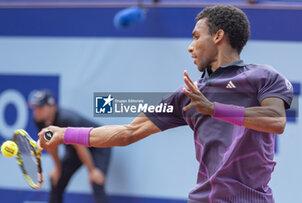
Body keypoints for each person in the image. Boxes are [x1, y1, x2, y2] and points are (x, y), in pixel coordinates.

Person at [38, 5, 293, 203]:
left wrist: (213, 109)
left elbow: (275, 120)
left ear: (218, 36)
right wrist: (65, 134)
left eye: (196, 37)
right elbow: (128, 133)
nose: (191, 47)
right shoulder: (187, 96)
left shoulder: (263, 77)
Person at [29, 90, 111, 203]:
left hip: (99, 144)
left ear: (52, 107)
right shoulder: (39, 120)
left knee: (96, 181)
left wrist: (92, 171)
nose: (36, 111)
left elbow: (80, 147)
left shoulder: (66, 118)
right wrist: (58, 168)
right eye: (34, 108)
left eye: (40, 107)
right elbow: (51, 146)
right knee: (56, 180)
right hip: (75, 148)